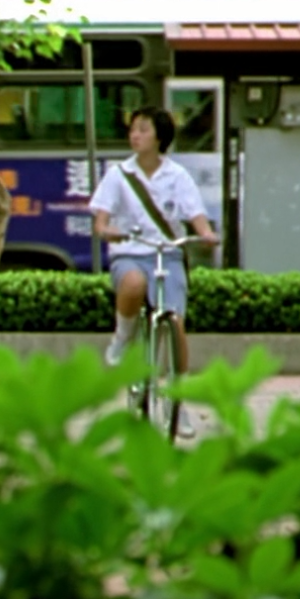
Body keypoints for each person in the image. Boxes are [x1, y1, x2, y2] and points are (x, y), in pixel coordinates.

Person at [90, 107, 220, 430]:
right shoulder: (119, 174)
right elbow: (100, 221)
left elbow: (195, 214)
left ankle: (178, 401)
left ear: (160, 137)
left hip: (167, 254)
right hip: (131, 252)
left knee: (176, 323)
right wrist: (107, 231)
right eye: (133, 129)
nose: (135, 135)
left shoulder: (177, 176)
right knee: (133, 283)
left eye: (143, 130)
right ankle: (123, 337)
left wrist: (206, 234)